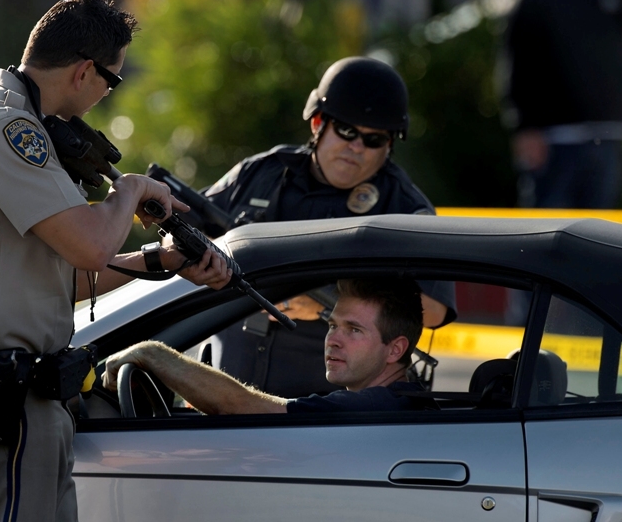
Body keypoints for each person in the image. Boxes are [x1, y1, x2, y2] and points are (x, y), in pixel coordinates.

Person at [0, 0, 230, 522]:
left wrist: (162, 261)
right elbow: (91, 244)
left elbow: (64, 276)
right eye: (111, 82)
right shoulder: (5, 128)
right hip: (3, 403)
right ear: (85, 71)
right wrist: (128, 192)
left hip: (26, 400)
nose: (105, 97)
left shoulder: (20, 125)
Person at [188, 57, 456, 398]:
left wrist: (328, 302)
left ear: (389, 145)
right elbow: (186, 231)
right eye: (346, 130)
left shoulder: (404, 209)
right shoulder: (262, 174)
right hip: (222, 394)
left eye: (373, 139)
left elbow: (433, 311)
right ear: (318, 123)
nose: (356, 146)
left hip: (320, 415)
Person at [102, 278, 427, 414]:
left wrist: (153, 353)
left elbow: (241, 404)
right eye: (332, 325)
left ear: (395, 349)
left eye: (354, 330)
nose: (333, 339)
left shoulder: (370, 408)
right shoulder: (396, 401)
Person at [504, 0, 622, 209]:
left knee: (599, 233)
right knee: (544, 230)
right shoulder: (537, 0)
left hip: (606, 136)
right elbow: (519, 66)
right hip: (554, 141)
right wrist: (524, 127)